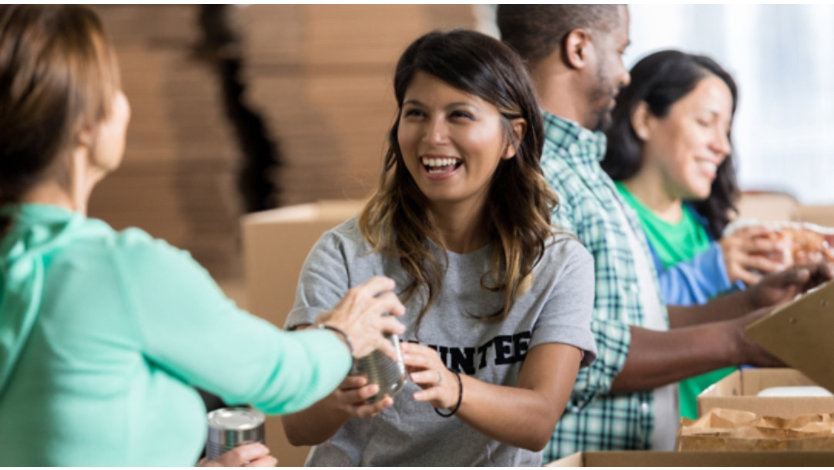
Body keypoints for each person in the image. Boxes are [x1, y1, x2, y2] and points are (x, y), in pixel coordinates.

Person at [0, 5, 405, 466]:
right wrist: (343, 334)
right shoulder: (122, 271)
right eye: (112, 87)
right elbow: (278, 376)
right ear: (86, 126)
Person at [497, 4, 833, 459]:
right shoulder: (538, 177)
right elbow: (571, 352)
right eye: (620, 51)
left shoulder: (585, 174)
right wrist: (737, 339)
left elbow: (635, 322)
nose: (624, 75)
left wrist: (751, 305)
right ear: (579, 49)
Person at [280, 29, 597, 466]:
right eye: (416, 113)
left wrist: (452, 386)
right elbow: (297, 427)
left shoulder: (559, 264)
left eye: (459, 115)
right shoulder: (346, 254)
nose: (432, 137)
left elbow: (539, 420)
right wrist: (341, 398)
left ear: (512, 137)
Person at [600, 50, 789, 419]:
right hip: (658, 441)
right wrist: (710, 270)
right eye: (705, 122)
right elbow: (618, 327)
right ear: (644, 120)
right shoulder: (607, 215)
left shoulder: (703, 227)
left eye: (726, 129)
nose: (723, 146)